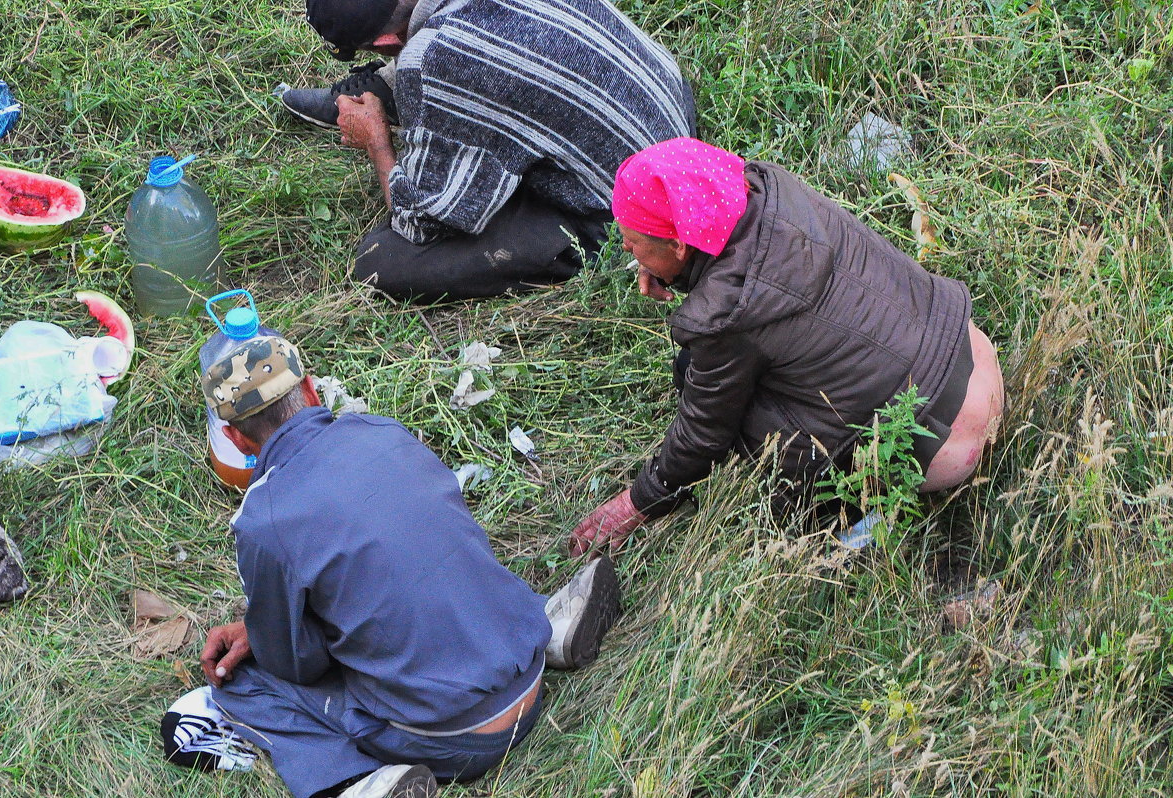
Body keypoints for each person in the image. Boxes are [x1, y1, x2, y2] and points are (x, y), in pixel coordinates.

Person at [191, 335, 622, 798]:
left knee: (240, 686)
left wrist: (271, 631)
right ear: (311, 390)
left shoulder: (262, 519)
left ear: (235, 437)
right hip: (527, 672)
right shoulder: (381, 430)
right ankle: (548, 626)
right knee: (432, 560)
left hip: (460, 740)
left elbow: (299, 664)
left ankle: (357, 783)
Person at [569, 138, 1005, 555]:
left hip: (938, 445)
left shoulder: (724, 319)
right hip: (968, 350)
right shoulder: (771, 188)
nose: (628, 251)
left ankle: (861, 521)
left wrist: (638, 501)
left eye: (634, 243)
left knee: (702, 385)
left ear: (680, 243)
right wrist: (666, 267)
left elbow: (703, 434)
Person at [280, 0, 696, 302]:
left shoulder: (434, 60)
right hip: (672, 126)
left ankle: (401, 94)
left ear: (388, 40)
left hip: (634, 210)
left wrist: (378, 143)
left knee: (380, 259)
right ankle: (392, 89)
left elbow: (417, 221)